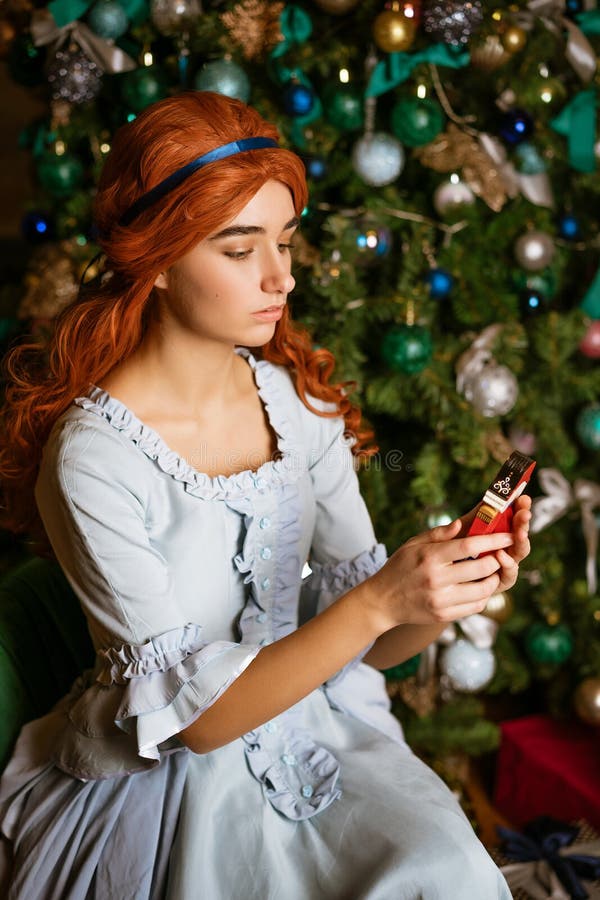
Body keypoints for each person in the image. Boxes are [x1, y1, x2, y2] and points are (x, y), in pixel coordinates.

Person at [0, 91, 530, 900]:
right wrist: (381, 602)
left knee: (443, 870)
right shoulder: (91, 460)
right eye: (240, 249)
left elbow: (373, 645)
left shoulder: (297, 407)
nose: (281, 277)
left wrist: (435, 590)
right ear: (162, 258)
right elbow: (200, 722)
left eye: (284, 242)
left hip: (320, 733)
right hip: (169, 787)